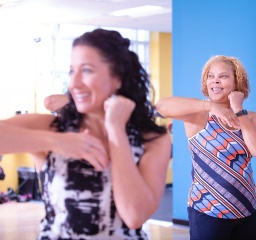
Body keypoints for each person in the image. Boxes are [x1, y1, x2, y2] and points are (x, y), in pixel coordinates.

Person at [0, 28, 171, 239]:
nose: (74, 82)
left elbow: (134, 216)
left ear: (118, 77)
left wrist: (116, 131)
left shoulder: (152, 139)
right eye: (72, 71)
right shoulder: (52, 128)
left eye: (87, 70)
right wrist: (59, 141)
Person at [156, 55, 256, 240]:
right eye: (211, 76)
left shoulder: (250, 117)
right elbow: (161, 106)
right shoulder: (198, 114)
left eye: (223, 76)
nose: (215, 80)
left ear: (237, 81)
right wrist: (210, 107)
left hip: (249, 209)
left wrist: (238, 109)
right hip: (209, 211)